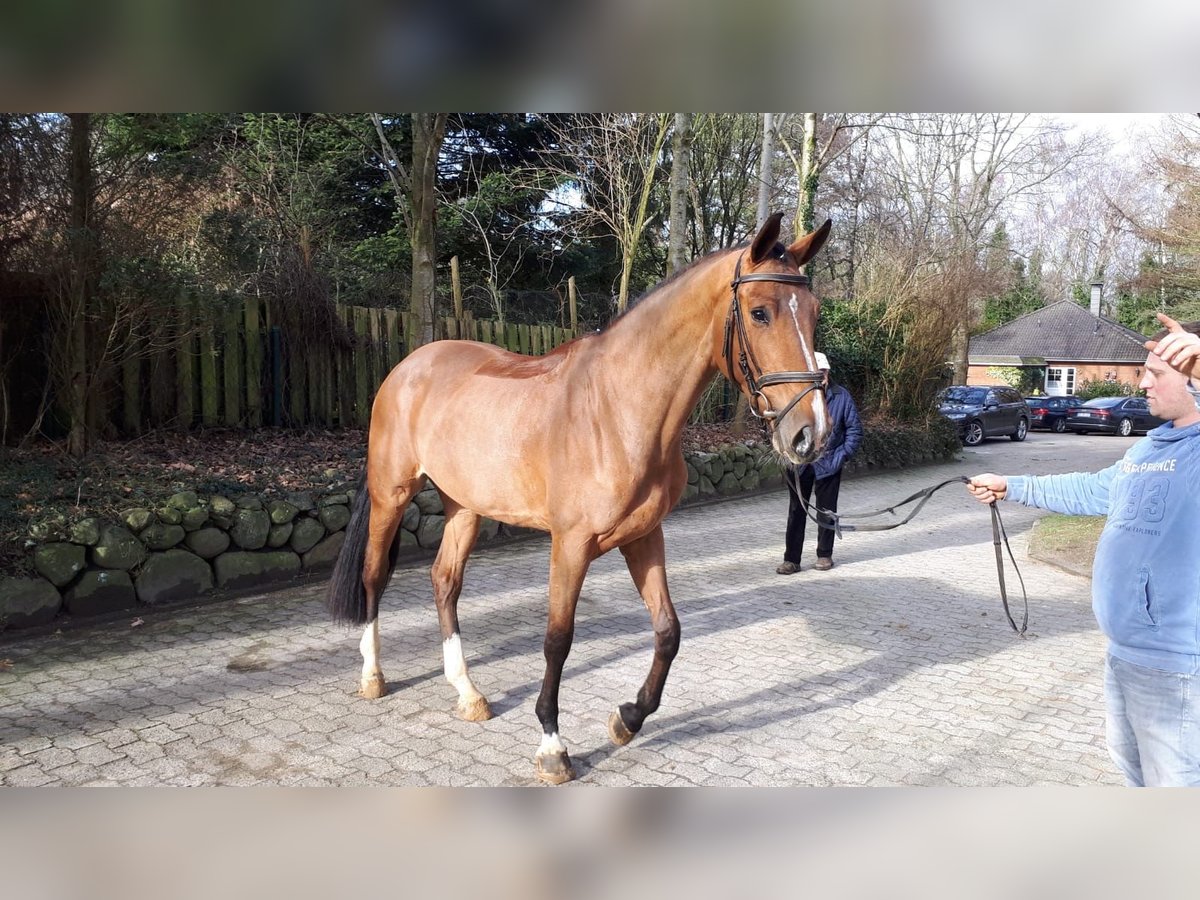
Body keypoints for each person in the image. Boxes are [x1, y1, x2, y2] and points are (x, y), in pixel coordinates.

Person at [966, 312, 1200, 786]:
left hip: (1179, 666)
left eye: (1157, 374)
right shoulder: (1149, 449)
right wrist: (1010, 484)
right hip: (1125, 653)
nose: (1144, 384)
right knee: (1138, 779)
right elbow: (1091, 491)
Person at [777, 352, 863, 574]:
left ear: (828, 372)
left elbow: (855, 430)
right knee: (797, 511)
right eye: (815, 372)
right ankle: (792, 559)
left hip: (829, 463)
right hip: (800, 463)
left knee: (827, 511)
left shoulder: (841, 396)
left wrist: (840, 456)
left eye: (822, 372)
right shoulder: (796, 395)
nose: (819, 376)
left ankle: (825, 555)